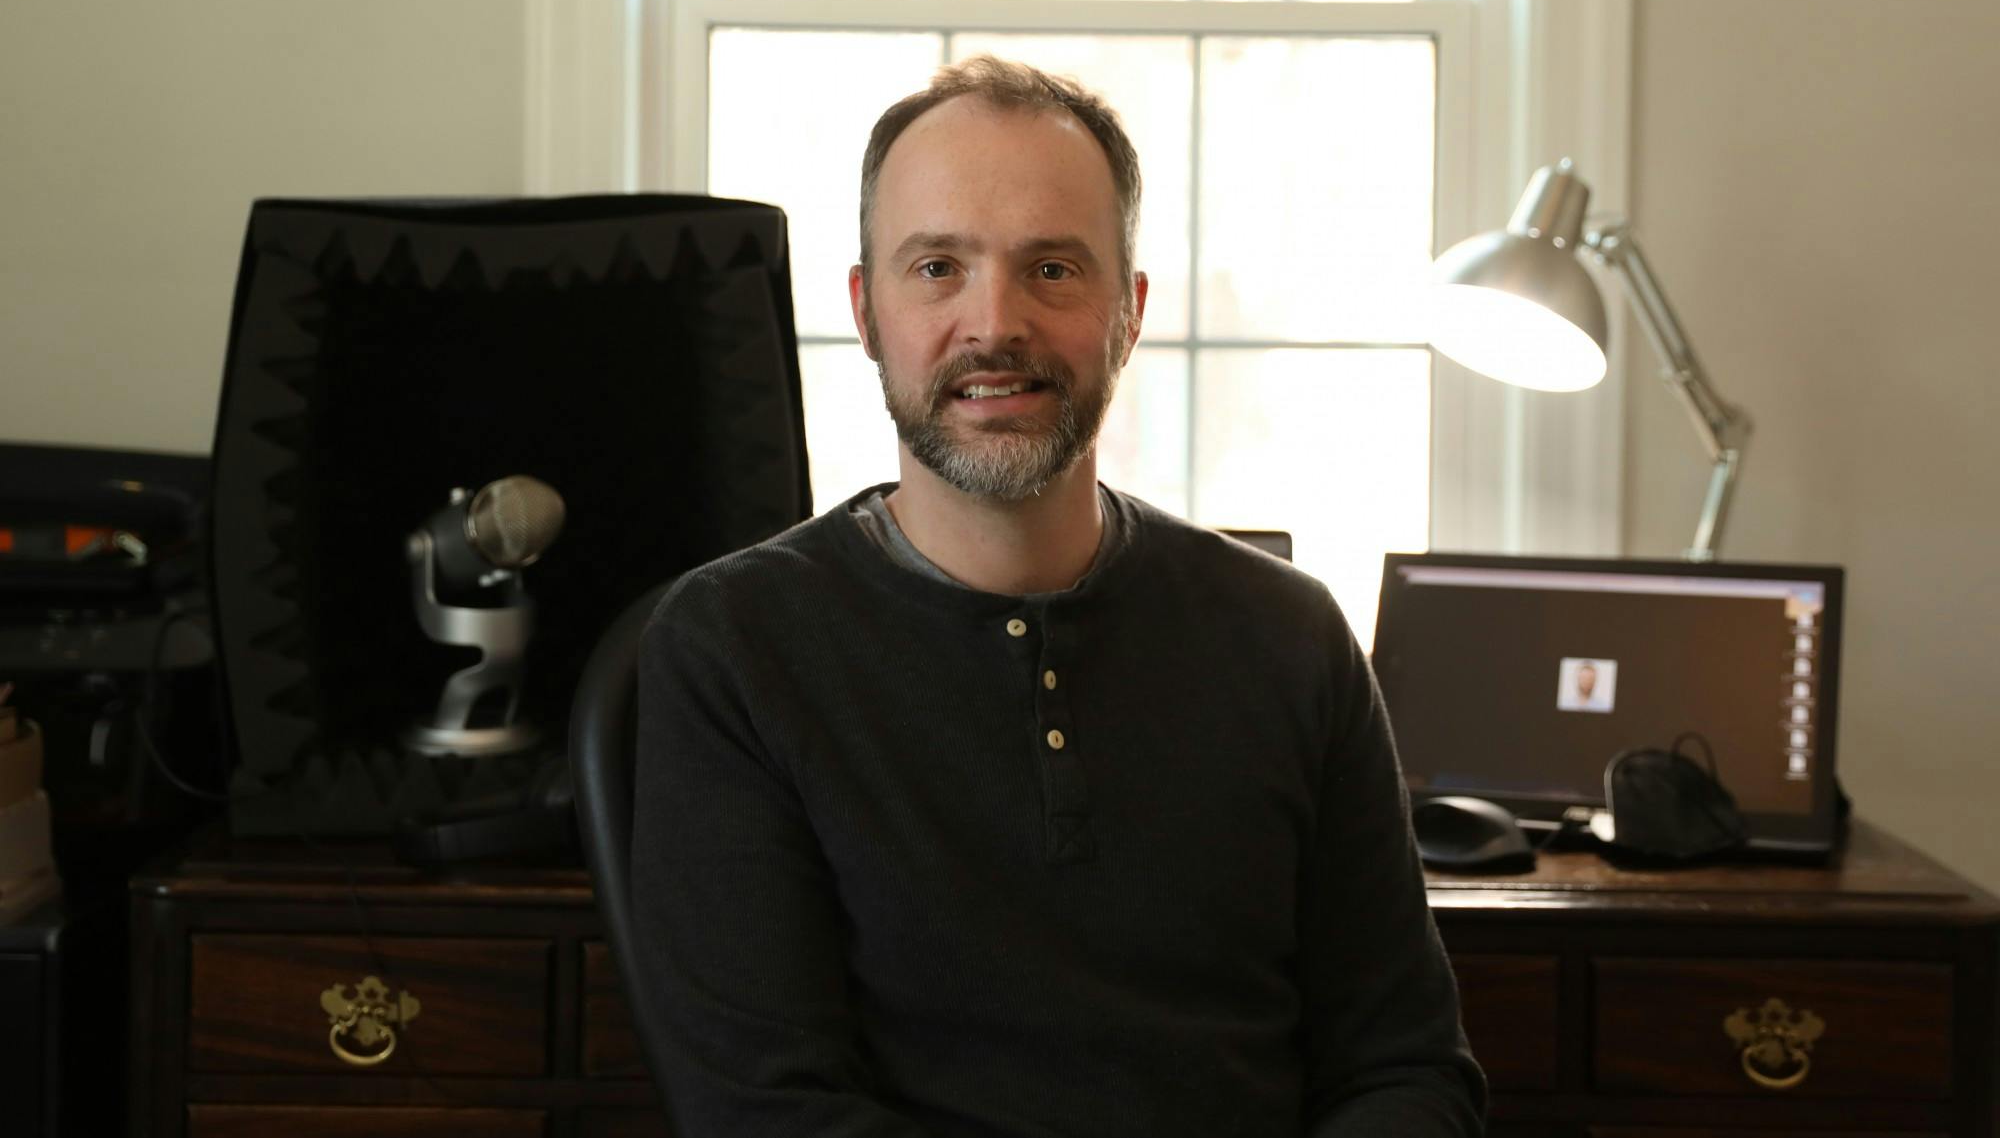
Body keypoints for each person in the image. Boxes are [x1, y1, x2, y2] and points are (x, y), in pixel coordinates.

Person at [630, 56, 1487, 1136]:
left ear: (1126, 311)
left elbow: (1405, 1069)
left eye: (1051, 269)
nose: (992, 323)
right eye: (936, 266)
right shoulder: (732, 649)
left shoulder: (1291, 637)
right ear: (865, 309)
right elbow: (764, 1111)